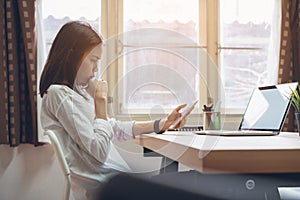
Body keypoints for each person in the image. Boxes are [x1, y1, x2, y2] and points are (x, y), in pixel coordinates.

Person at [39, 21, 192, 200]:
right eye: (93, 61)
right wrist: (100, 104)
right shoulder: (60, 95)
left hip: (116, 182)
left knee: (181, 182)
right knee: (190, 184)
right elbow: (98, 150)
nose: (96, 70)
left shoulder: (73, 95)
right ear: (73, 56)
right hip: (108, 186)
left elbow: (113, 129)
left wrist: (161, 124)